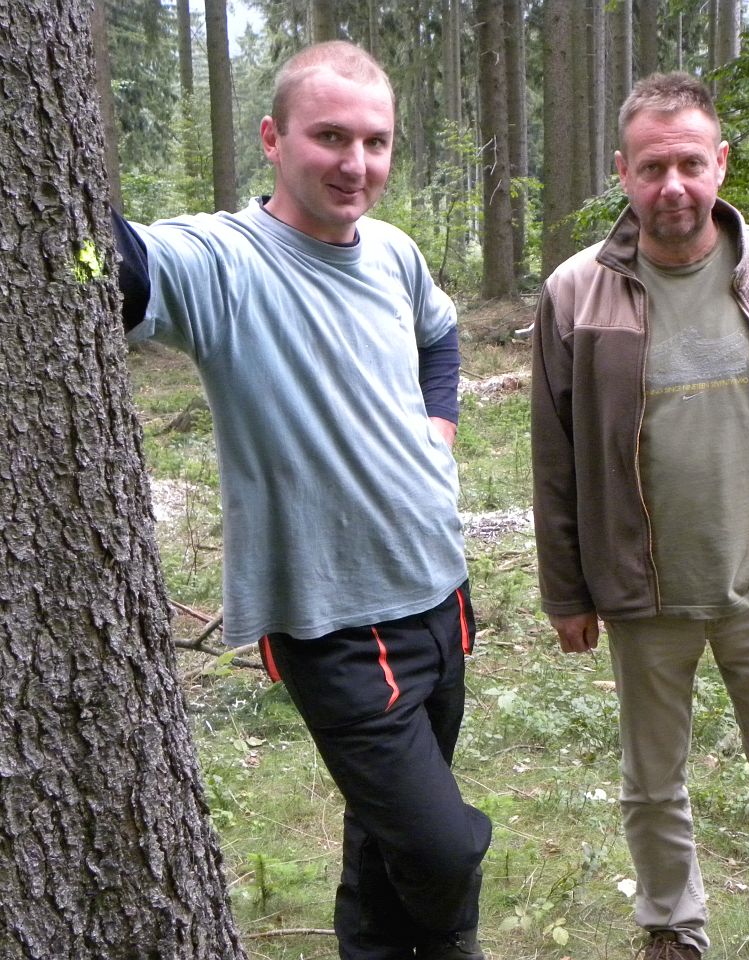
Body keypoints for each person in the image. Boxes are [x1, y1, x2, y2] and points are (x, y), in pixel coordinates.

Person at [111, 41, 490, 960]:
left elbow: (439, 337)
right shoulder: (225, 262)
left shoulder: (394, 253)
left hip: (440, 593)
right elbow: (116, 263)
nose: (356, 164)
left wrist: (437, 433)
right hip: (335, 623)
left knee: (382, 837)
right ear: (273, 139)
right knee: (441, 847)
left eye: (375, 142)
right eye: (330, 137)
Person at [530, 72, 749, 960]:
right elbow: (555, 459)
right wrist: (567, 591)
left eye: (689, 163)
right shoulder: (575, 291)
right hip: (645, 590)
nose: (672, 186)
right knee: (651, 786)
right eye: (651, 167)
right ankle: (673, 928)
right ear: (623, 173)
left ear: (720, 163)